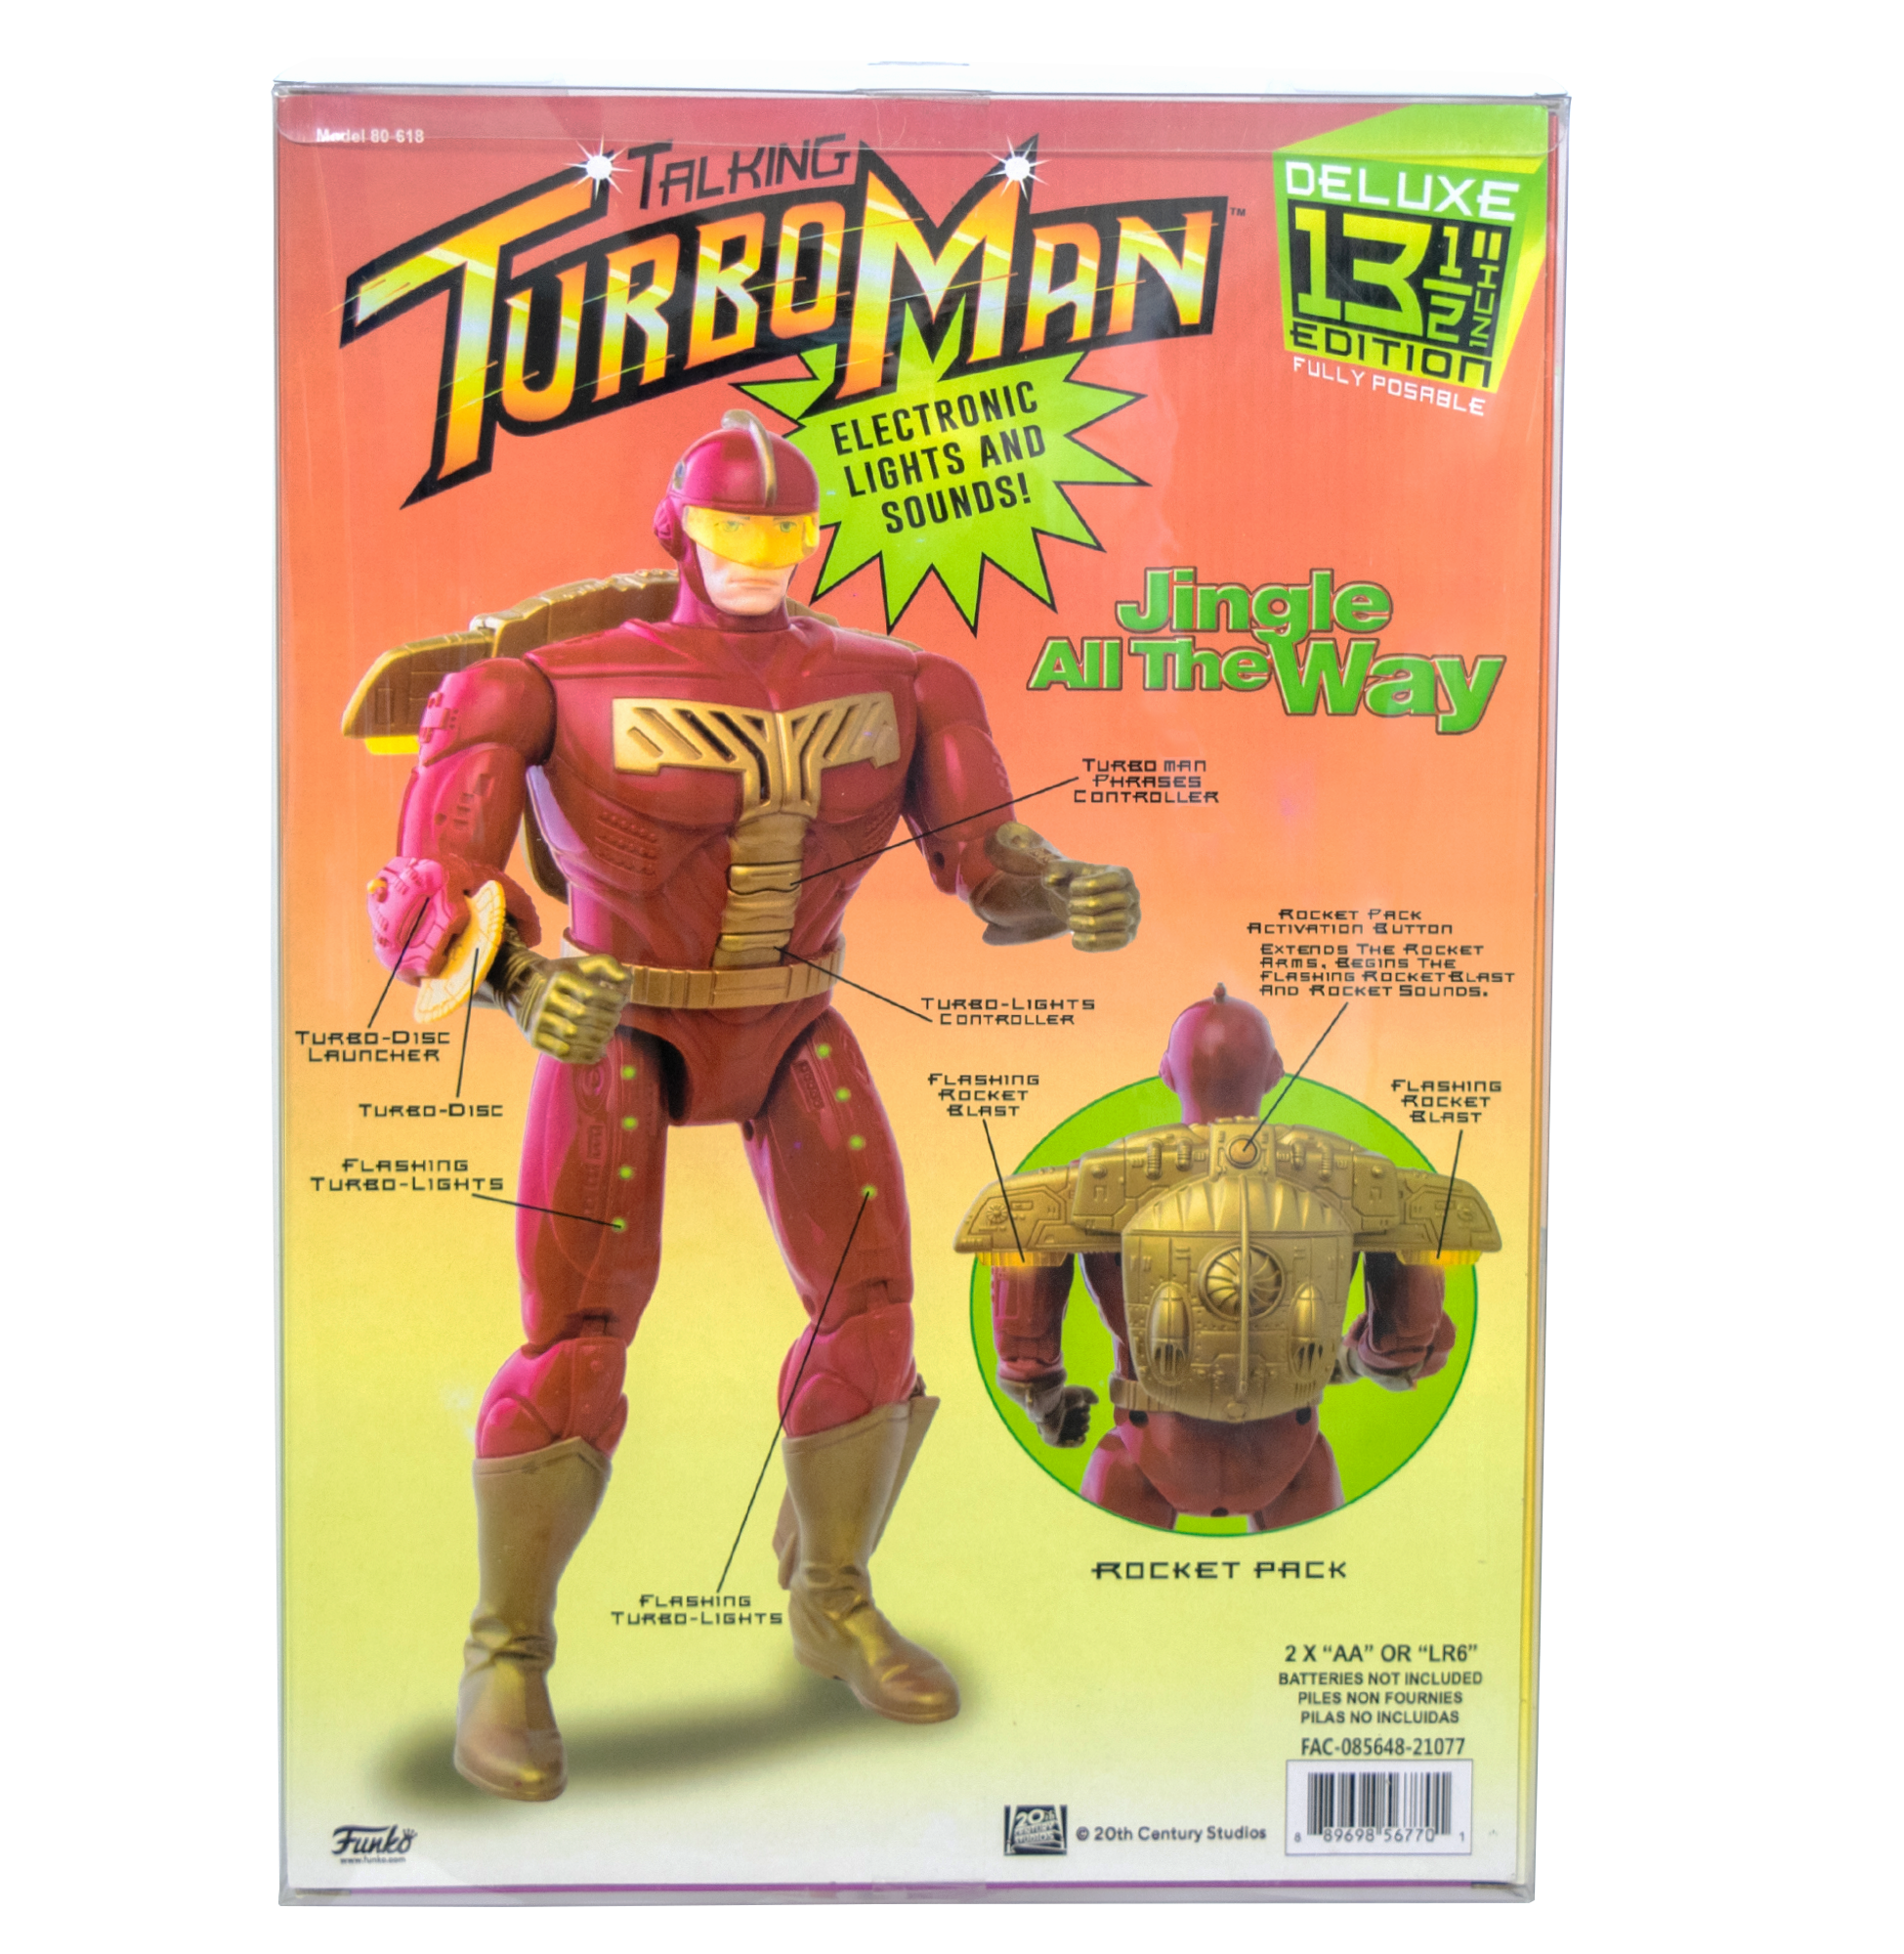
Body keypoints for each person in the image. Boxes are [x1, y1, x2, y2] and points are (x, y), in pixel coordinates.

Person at [363, 411, 1140, 1800]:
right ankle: (506, 1650)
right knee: (577, 1345)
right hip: (619, 1018)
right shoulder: (540, 684)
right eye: (734, 529)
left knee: (877, 1316)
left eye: (786, 532)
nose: (760, 555)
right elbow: (428, 895)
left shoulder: (906, 682)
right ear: (680, 530)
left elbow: (986, 863)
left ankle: (831, 1598)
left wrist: (1063, 888)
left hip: (792, 1022)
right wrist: (521, 980)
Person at [970, 987, 1486, 1533]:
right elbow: (1402, 1346)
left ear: (1167, 1073)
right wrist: (1354, 1362)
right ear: (1274, 1071)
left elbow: (1026, 1351)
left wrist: (1048, 1410)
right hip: (1295, 1458)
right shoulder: (1360, 1180)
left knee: (1106, 1580)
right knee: (1311, 1583)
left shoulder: (1091, 1182)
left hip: (1144, 1450)